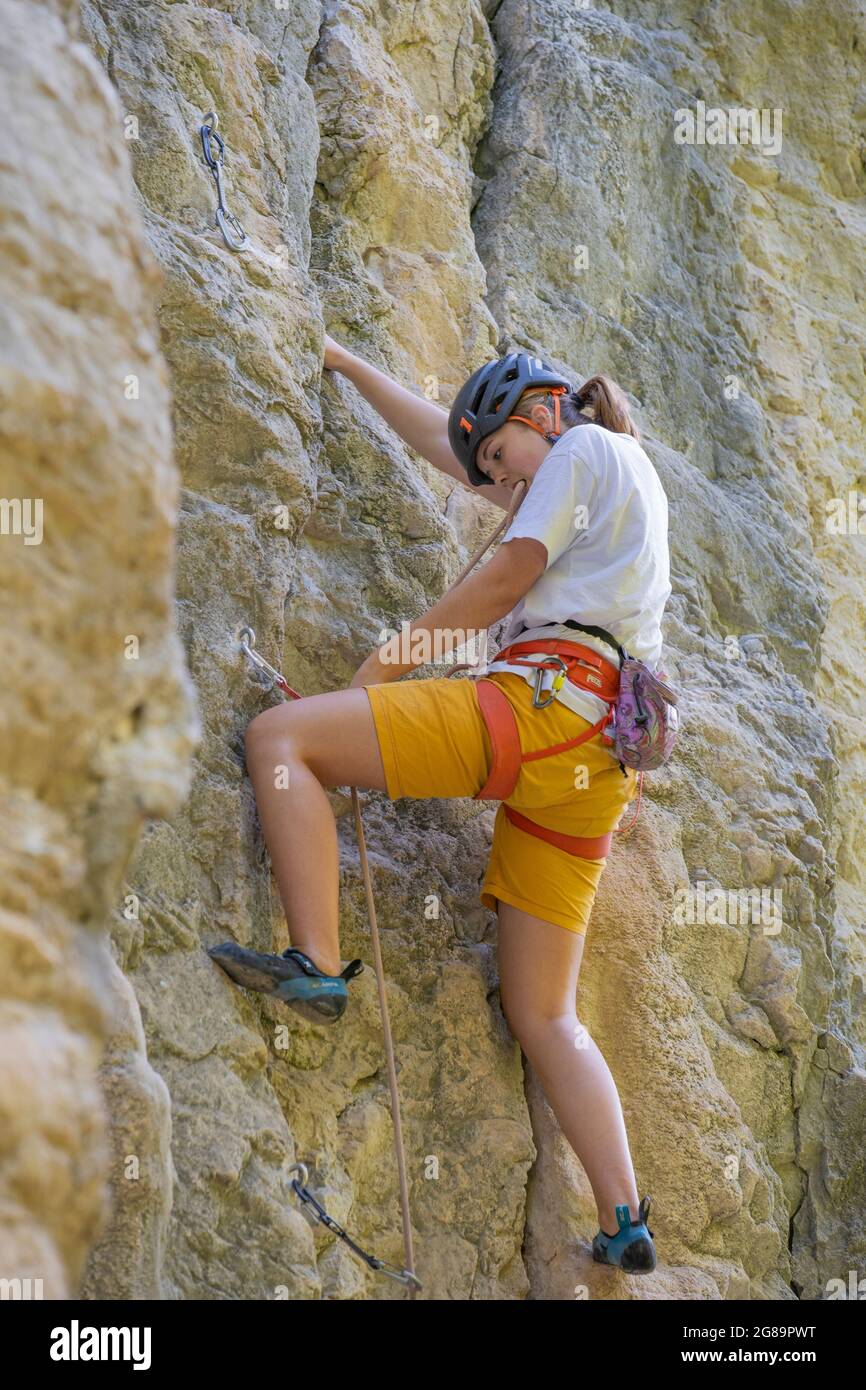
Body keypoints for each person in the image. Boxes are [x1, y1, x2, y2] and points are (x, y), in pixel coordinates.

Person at [209, 344, 671, 1274]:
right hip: (598, 766)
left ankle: (319, 963)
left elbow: (505, 577)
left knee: (283, 741)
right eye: (489, 474)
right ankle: (625, 1221)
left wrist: (390, 661)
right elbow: (441, 435)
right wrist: (336, 358)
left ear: (544, 411)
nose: (496, 481)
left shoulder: (580, 450)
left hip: (543, 706)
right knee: (546, 1015)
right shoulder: (616, 480)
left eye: (501, 458)